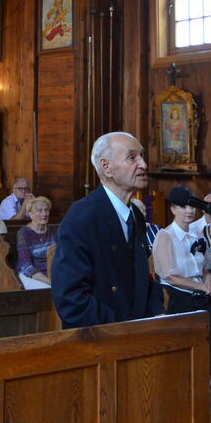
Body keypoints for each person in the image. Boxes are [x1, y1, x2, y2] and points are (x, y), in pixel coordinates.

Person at [51, 132, 163, 328]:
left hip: (137, 335)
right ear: (106, 167)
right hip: (99, 339)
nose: (143, 165)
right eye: (132, 157)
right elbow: (72, 301)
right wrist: (123, 329)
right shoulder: (82, 217)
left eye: (142, 156)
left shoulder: (135, 215)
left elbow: (142, 278)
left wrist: (157, 318)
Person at [153, 186, 211, 392]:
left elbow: (207, 268)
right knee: (199, 315)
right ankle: (191, 373)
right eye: (183, 206)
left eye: (192, 206)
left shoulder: (197, 236)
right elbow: (170, 275)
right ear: (173, 209)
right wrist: (201, 287)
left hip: (200, 289)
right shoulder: (165, 236)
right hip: (177, 292)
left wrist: (209, 281)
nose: (189, 211)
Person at [16, 197, 58, 290]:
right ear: (31, 214)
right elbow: (25, 264)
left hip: (53, 273)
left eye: (46, 210)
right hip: (32, 274)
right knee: (50, 290)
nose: (44, 214)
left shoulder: (53, 231)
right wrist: (49, 281)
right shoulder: (24, 233)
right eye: (39, 211)